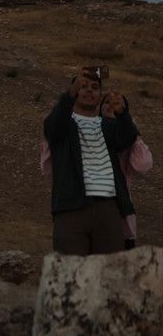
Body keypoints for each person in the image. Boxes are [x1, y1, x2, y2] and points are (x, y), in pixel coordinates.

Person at [42, 67, 140, 255]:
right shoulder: (63, 125)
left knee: (109, 275)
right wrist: (68, 96)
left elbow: (128, 138)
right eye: (83, 86)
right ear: (74, 91)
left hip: (109, 208)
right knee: (72, 273)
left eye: (95, 87)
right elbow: (52, 127)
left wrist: (122, 114)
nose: (89, 90)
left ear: (101, 95)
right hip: (70, 209)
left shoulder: (109, 126)